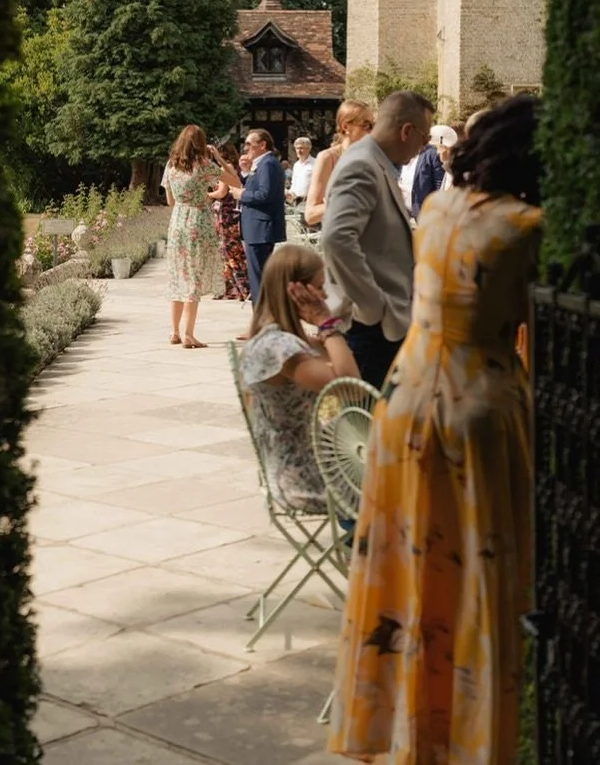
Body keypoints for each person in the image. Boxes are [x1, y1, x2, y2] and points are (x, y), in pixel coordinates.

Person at [327, 94, 542, 764]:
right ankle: (468, 740)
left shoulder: (442, 206)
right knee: (475, 578)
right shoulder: (528, 225)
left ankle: (408, 735)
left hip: (406, 401)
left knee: (406, 570)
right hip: (472, 411)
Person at [321, 90, 433, 390]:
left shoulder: (374, 162)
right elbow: (336, 239)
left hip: (378, 325)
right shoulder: (362, 164)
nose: (424, 147)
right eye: (425, 137)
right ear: (407, 131)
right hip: (369, 327)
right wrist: (373, 307)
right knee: (371, 425)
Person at [238, 244, 360, 511]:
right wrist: (326, 323)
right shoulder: (277, 347)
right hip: (308, 479)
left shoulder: (285, 339)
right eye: (319, 285)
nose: (325, 293)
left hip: (317, 463)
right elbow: (351, 387)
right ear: (297, 291)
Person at [165, 124, 241, 348]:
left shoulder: (171, 167)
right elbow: (235, 181)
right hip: (197, 222)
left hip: (177, 221)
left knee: (178, 276)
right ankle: (189, 334)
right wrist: (218, 157)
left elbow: (170, 201)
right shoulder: (204, 165)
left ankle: (174, 331)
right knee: (193, 278)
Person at [230, 127, 287, 304]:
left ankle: (261, 322)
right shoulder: (262, 164)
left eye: (249, 144)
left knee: (258, 278)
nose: (246, 148)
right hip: (257, 227)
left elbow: (265, 194)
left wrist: (242, 195)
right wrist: (246, 173)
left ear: (262, 145)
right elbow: (256, 187)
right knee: (258, 276)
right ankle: (262, 320)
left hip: (260, 228)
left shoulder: (268, 164)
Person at [303, 100, 374, 227]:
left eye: (374, 125)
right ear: (346, 127)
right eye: (367, 125)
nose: (372, 131)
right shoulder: (328, 158)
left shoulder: (374, 157)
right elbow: (310, 214)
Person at [209, 143, 251, 304]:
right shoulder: (232, 168)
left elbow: (222, 192)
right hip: (229, 213)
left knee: (230, 250)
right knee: (229, 251)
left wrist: (206, 194)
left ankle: (241, 288)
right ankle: (233, 289)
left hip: (226, 215)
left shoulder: (226, 169)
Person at [409, 124, 451, 218]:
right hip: (402, 213)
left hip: (421, 214)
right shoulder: (398, 151)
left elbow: (439, 186)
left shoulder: (432, 154)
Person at [286, 136, 317, 210]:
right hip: (295, 202)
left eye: (301, 148)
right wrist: (289, 192)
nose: (299, 151)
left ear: (309, 149)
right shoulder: (296, 165)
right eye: (297, 148)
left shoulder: (316, 163)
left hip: (309, 202)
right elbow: (294, 182)